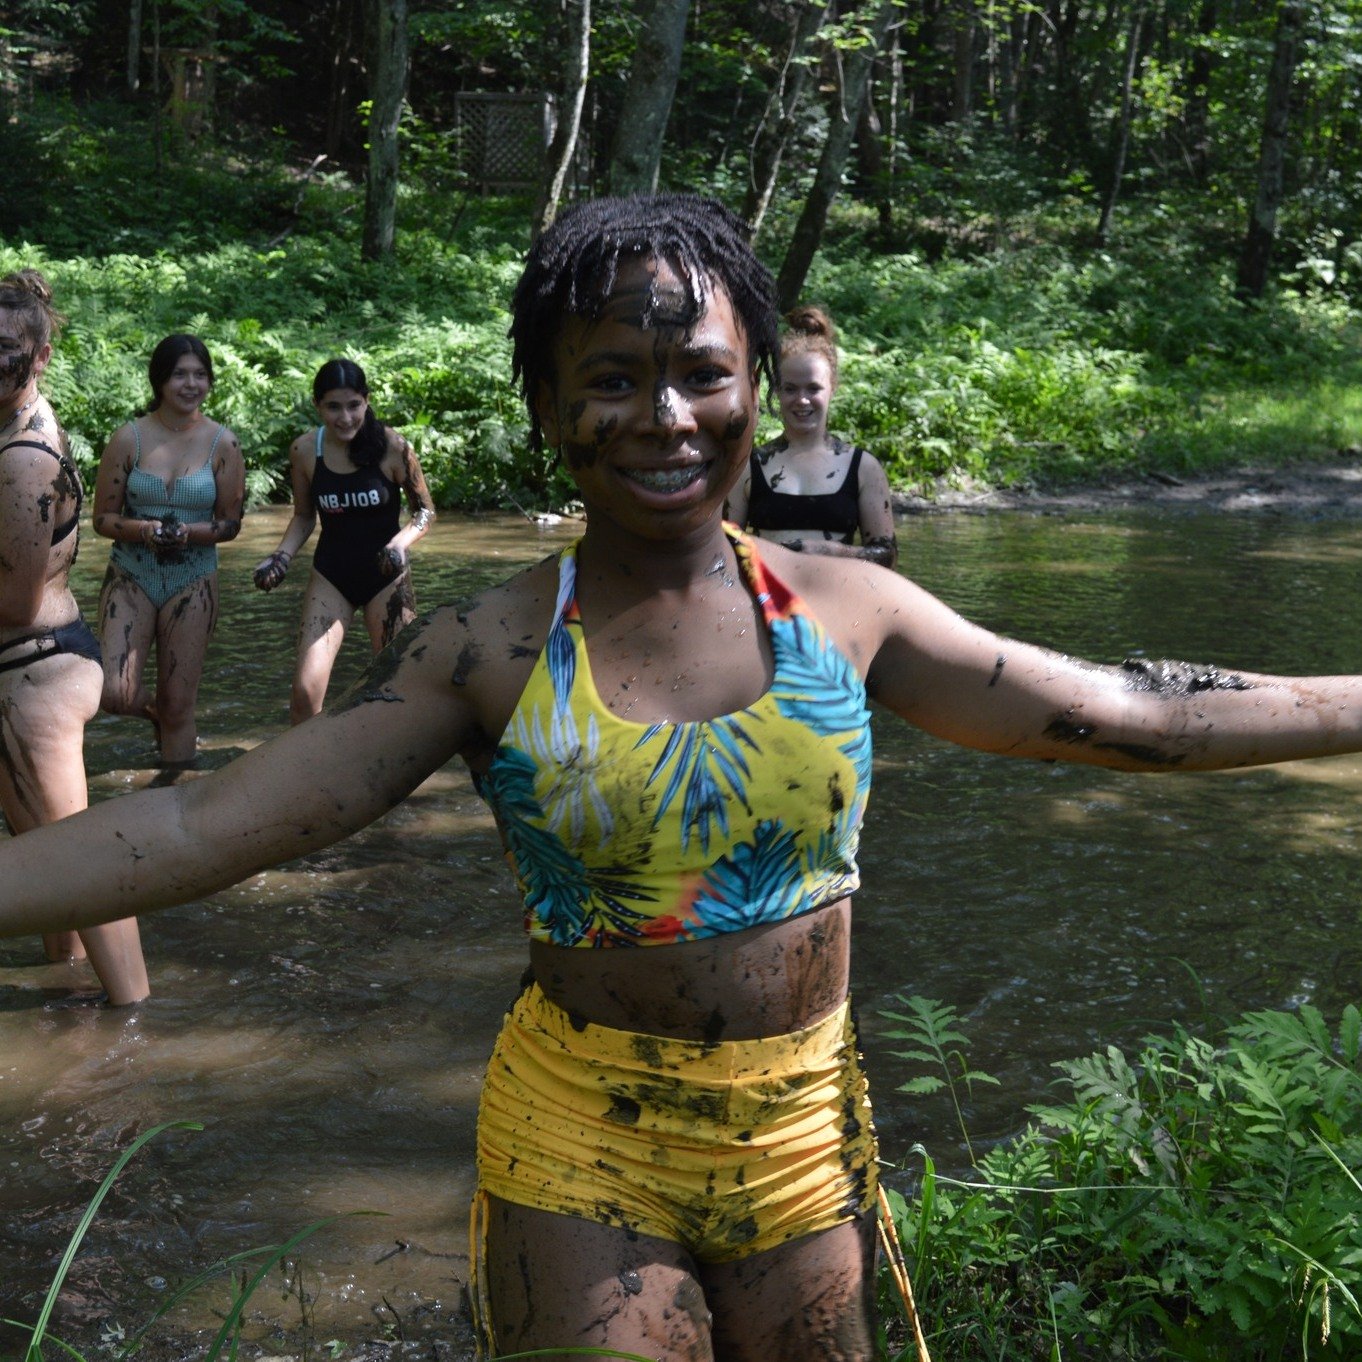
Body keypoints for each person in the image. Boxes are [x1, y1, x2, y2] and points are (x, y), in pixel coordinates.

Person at [4, 195, 1362, 1359]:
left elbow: (1132, 713)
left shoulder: (848, 610)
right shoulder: (485, 649)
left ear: (756, 385)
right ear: (546, 402)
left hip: (803, 1126)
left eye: (701, 373)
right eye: (609, 376)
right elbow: (201, 819)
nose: (662, 415)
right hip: (579, 1134)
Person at [0, 269, 148, 1005]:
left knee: (81, 864)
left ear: (41, 352)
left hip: (35, 673)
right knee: (51, 862)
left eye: (5, 348)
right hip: (36, 668)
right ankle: (67, 991)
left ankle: (134, 1025)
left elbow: (17, 599)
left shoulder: (22, 461)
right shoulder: (12, 426)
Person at [252, 359, 435, 724]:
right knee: (305, 692)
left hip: (386, 577)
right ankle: (304, 774)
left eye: (353, 405)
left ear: (366, 401)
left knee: (402, 685)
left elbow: (425, 512)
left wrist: (400, 544)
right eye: (333, 407)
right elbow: (304, 516)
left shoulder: (393, 447)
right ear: (318, 405)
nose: (345, 417)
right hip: (331, 575)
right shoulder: (305, 451)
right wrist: (281, 558)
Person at [93, 334, 245, 768]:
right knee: (113, 693)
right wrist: (145, 530)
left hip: (193, 579)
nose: (190, 384)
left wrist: (187, 533)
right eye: (180, 374)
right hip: (130, 573)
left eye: (200, 375)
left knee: (180, 705)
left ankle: (179, 801)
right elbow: (102, 519)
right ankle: (158, 719)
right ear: (160, 380)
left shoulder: (224, 443)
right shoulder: (129, 438)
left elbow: (230, 525)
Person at [726, 304, 897, 569]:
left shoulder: (863, 468)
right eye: (790, 388)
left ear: (833, 389)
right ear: (776, 391)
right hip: (770, 600)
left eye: (813, 388)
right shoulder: (748, 467)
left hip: (838, 600)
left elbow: (886, 556)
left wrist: (823, 550)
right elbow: (723, 549)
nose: (802, 400)